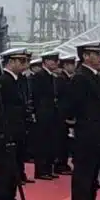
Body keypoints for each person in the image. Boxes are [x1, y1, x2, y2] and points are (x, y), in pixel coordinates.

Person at [66, 42, 100, 200]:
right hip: (85, 129)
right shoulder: (81, 77)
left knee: (93, 169)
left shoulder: (95, 76)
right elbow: (74, 104)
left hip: (96, 128)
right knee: (83, 170)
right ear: (85, 56)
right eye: (95, 54)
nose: (99, 58)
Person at [0, 46, 32, 200]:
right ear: (10, 62)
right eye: (21, 61)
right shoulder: (3, 81)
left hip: (18, 127)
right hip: (6, 129)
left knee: (16, 164)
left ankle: (10, 197)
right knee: (4, 166)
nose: (25, 64)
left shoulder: (19, 80)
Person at [29, 50, 62, 179]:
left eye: (56, 61)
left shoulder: (52, 76)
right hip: (42, 113)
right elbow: (36, 96)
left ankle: (48, 168)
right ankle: (41, 170)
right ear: (46, 61)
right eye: (53, 60)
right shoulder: (39, 76)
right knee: (42, 143)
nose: (55, 63)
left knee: (51, 142)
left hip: (51, 113)